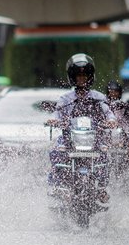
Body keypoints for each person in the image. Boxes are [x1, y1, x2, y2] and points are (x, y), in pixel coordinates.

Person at [47, 53, 117, 203]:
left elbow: (108, 112)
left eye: (84, 75)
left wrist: (111, 121)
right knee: (55, 151)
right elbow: (57, 112)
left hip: (94, 138)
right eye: (78, 76)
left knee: (105, 153)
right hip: (69, 138)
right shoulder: (65, 98)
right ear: (72, 77)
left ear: (90, 76)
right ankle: (58, 187)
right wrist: (54, 120)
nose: (81, 78)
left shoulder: (98, 97)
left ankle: (102, 189)